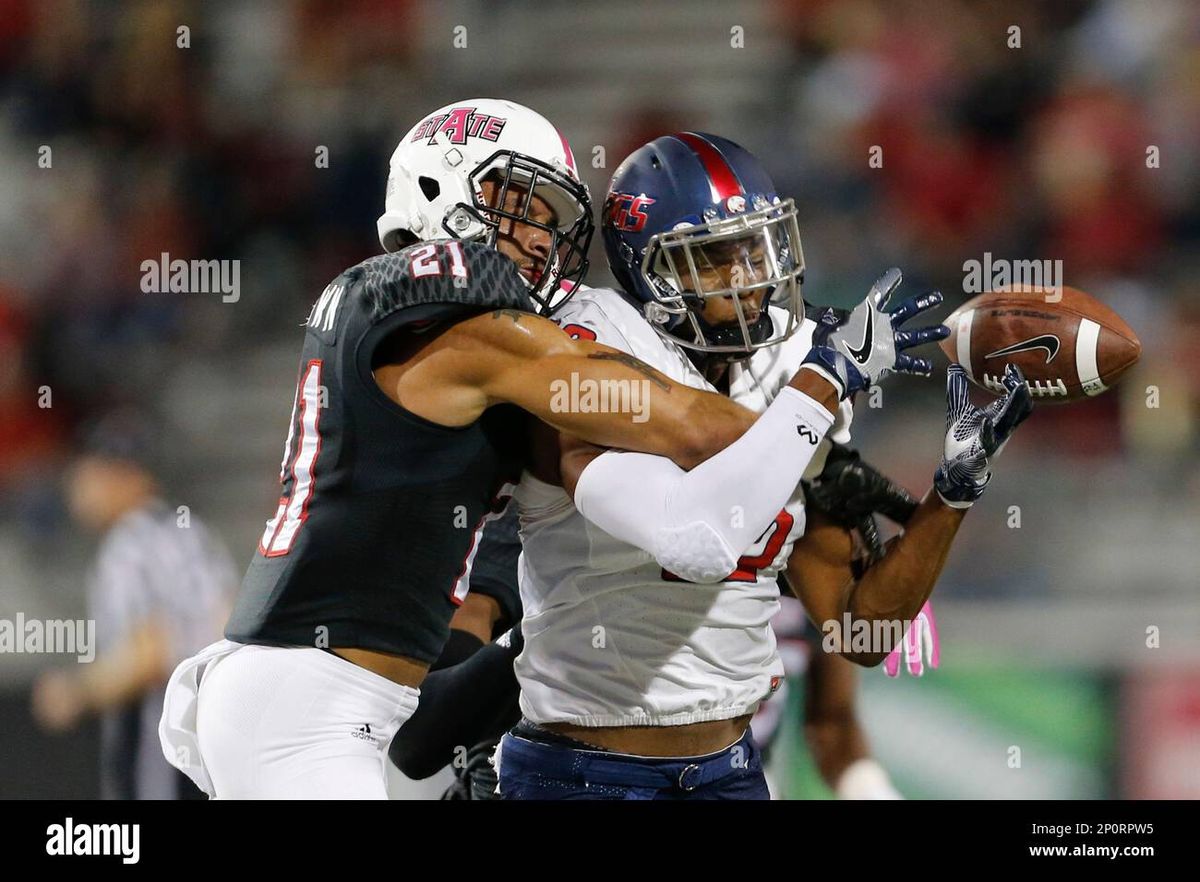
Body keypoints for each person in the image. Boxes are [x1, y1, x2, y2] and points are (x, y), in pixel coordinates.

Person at [158, 101, 859, 799]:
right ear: (441, 189)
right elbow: (679, 420)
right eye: (522, 205)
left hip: (331, 695)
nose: (537, 237)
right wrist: (816, 397)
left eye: (551, 221)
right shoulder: (465, 333)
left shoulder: (419, 320)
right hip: (306, 701)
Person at [492, 132, 1031, 799]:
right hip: (586, 771)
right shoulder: (595, 347)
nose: (749, 279)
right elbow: (694, 541)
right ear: (650, 270)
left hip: (732, 770)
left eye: (755, 248)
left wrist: (952, 494)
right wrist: (818, 397)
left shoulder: (794, 363)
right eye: (716, 258)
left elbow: (861, 629)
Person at [33, 412, 235, 799]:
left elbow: (151, 653)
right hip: (210, 736)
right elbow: (226, 623)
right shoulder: (193, 532)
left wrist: (76, 690)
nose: (79, 486)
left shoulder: (129, 546)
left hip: (159, 740)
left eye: (92, 472)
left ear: (125, 475)